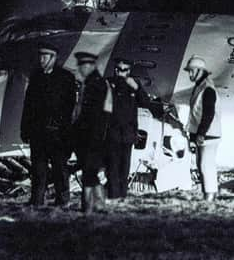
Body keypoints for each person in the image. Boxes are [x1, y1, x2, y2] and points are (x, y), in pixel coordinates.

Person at [20, 42, 76, 207]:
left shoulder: (66, 78)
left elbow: (70, 107)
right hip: (38, 132)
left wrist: (65, 131)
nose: (41, 60)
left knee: (60, 169)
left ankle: (62, 201)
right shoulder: (36, 77)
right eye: (40, 56)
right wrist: (25, 129)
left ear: (54, 57)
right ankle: (36, 200)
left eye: (45, 56)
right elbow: (28, 106)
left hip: (58, 133)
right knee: (38, 169)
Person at [71, 51, 110, 213]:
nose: (80, 69)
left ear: (89, 66)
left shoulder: (96, 85)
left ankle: (88, 205)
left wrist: (91, 136)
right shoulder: (91, 82)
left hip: (92, 136)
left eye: (82, 66)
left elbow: (96, 115)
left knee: (89, 170)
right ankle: (98, 204)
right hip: (89, 135)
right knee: (90, 170)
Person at [105, 58, 148, 199]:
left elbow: (146, 102)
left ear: (129, 71)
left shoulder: (133, 85)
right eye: (117, 69)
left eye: (123, 70)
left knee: (124, 169)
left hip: (128, 134)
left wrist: (137, 88)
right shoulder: (108, 83)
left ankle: (122, 198)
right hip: (112, 133)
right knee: (112, 169)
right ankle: (113, 198)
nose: (119, 72)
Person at [184, 55, 221, 202]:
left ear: (200, 71)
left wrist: (201, 134)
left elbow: (208, 114)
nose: (190, 74)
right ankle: (209, 194)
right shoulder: (200, 87)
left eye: (192, 71)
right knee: (202, 165)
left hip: (208, 135)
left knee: (206, 165)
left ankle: (210, 196)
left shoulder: (207, 89)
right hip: (204, 134)